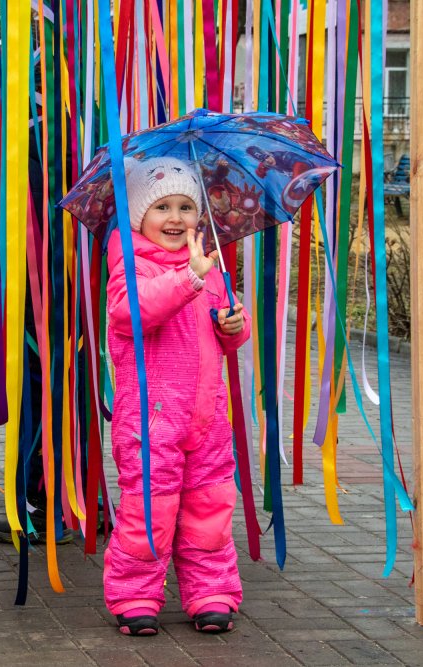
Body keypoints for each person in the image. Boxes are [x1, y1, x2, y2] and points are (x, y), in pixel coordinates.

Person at [104, 156, 250, 636]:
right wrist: (188, 278)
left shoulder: (210, 264)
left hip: (206, 417)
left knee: (209, 507)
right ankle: (136, 595)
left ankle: (210, 592)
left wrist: (234, 324)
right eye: (161, 206)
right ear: (138, 217)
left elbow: (225, 328)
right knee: (151, 509)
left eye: (186, 207)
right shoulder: (130, 263)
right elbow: (131, 314)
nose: (175, 218)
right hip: (150, 421)